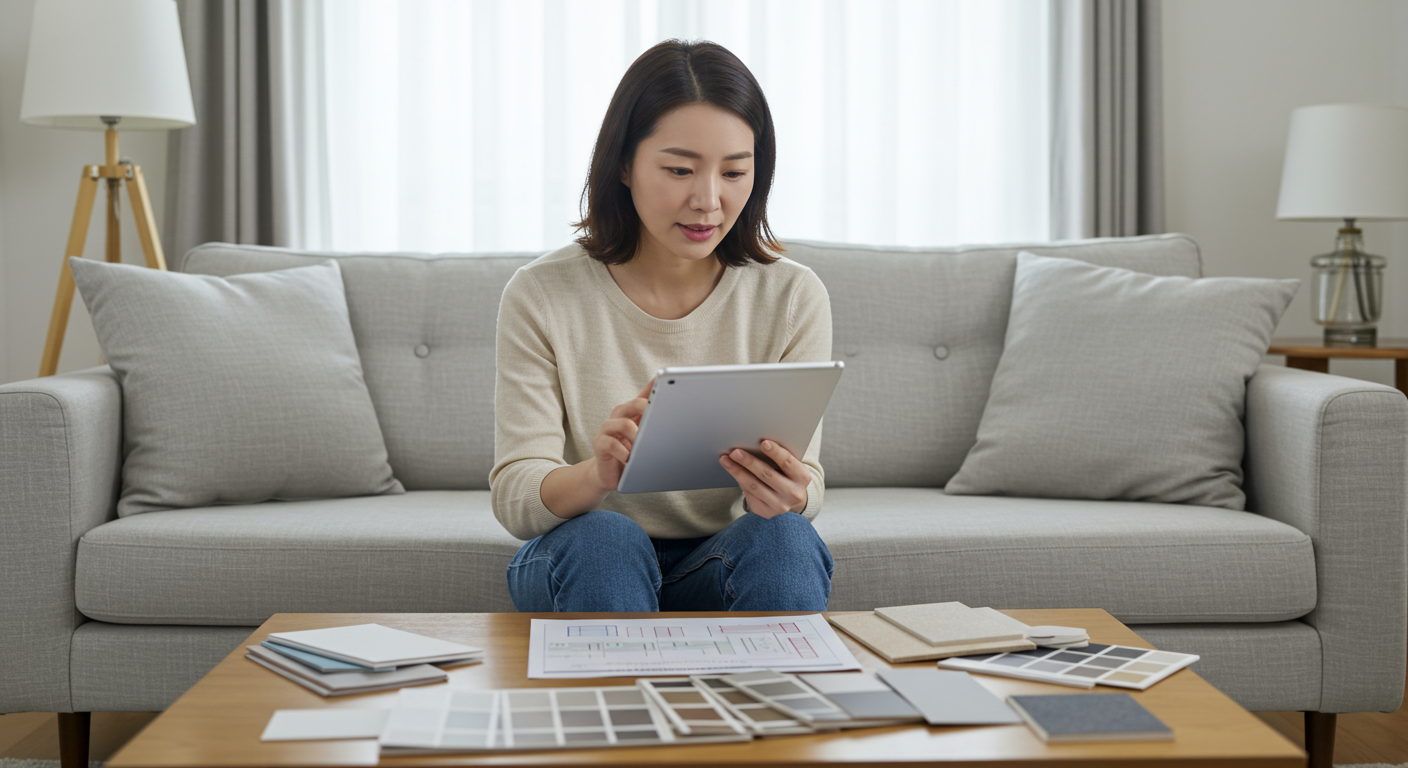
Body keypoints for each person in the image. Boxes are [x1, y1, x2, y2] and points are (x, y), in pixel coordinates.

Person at [490, 39, 833, 613]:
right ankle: (621, 704)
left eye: (734, 172)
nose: (708, 201)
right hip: (583, 551)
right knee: (607, 538)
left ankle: (774, 703)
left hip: (722, 554)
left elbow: (807, 481)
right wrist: (597, 475)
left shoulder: (792, 295)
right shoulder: (541, 293)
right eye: (679, 169)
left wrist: (792, 496)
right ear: (623, 163)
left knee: (785, 539)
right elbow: (516, 495)